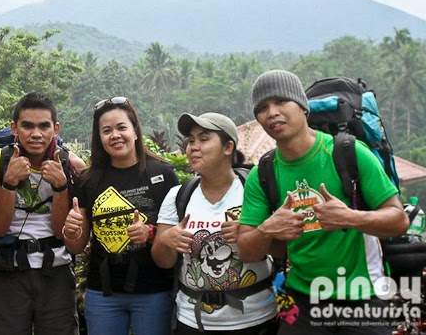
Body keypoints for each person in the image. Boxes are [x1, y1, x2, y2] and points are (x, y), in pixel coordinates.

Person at [237, 70, 410, 334]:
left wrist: (350, 217)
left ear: (303, 108)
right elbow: (248, 251)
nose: (272, 112)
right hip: (302, 299)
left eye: (281, 101)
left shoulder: (349, 153)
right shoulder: (263, 174)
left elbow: (398, 221)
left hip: (361, 296)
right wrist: (268, 228)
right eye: (262, 107)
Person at [152, 112, 279, 334]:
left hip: (255, 319)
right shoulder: (179, 196)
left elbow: (282, 249)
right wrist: (166, 241)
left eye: (204, 139)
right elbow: (162, 261)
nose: (193, 147)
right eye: (191, 141)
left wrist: (253, 234)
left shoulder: (254, 189)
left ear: (228, 147)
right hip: (192, 321)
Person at [62, 96, 179, 335]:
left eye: (121, 127)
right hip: (104, 292)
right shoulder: (88, 180)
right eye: (107, 130)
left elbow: (177, 233)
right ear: (100, 138)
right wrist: (71, 230)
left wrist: (150, 233)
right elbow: (75, 246)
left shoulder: (162, 174)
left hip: (154, 290)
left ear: (135, 131)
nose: (115, 135)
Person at [0, 92, 86, 335]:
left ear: (56, 128)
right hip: (10, 269)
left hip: (56, 271)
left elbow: (63, 233)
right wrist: (9, 183)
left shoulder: (73, 165)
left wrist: (61, 187)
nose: (36, 134)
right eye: (27, 126)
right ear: (14, 127)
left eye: (44, 126)